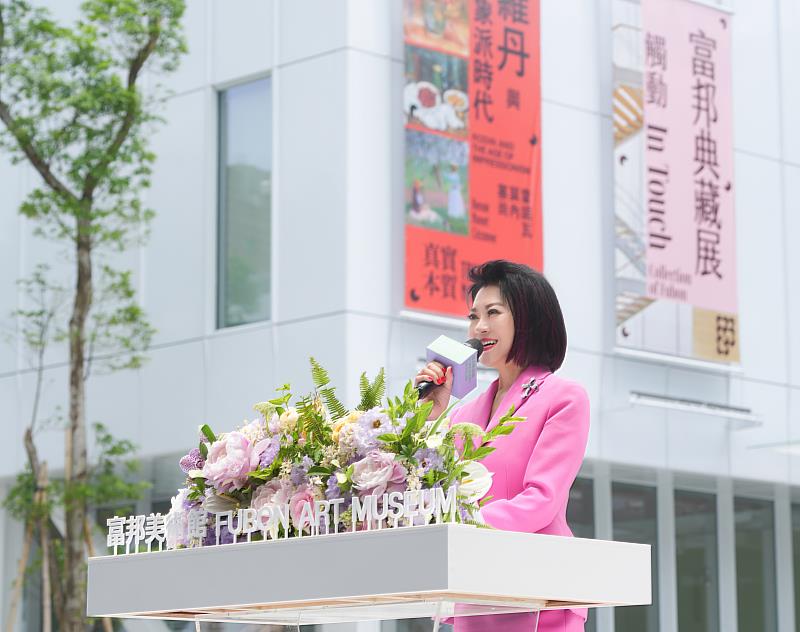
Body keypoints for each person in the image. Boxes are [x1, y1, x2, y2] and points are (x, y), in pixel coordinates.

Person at [415, 260, 589, 632]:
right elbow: (431, 491)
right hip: (477, 594)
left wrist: (465, 529)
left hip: (538, 593)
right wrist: (430, 414)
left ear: (527, 318)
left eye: (493, 312)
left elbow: (541, 499)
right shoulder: (464, 414)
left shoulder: (563, 397)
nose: (479, 327)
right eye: (473, 316)